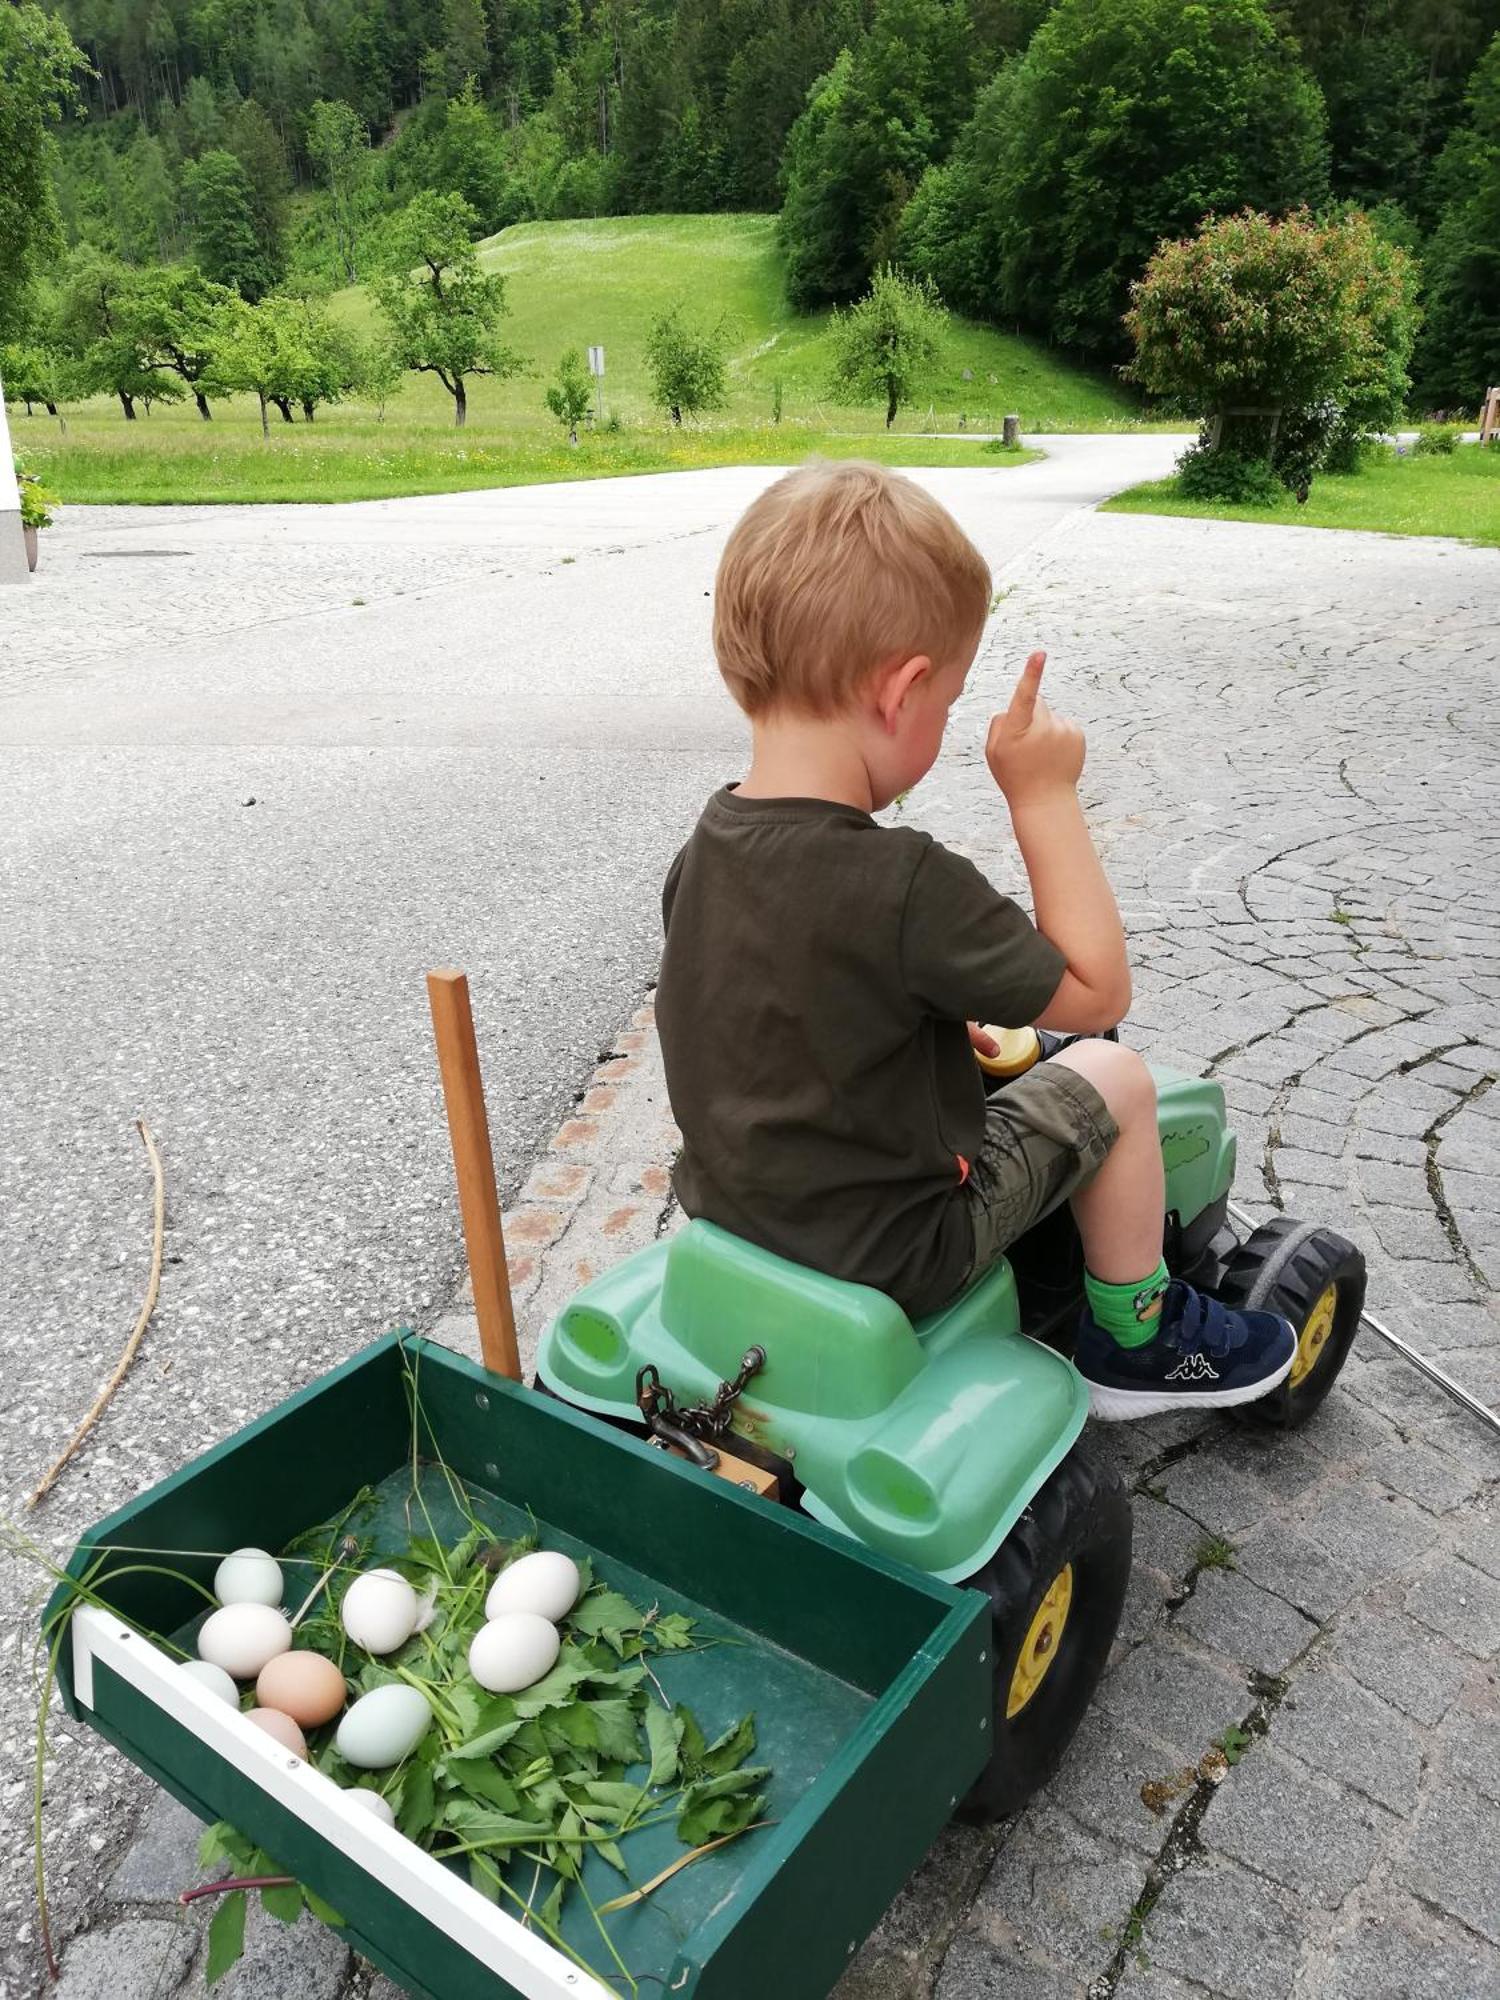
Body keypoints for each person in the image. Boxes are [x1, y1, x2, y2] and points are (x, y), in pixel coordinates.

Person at [654, 461, 1294, 1419]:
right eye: (949, 705)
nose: (947, 723)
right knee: (1117, 1077)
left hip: (736, 1216)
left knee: (1024, 1058)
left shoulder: (702, 851)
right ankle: (1139, 1340)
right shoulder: (904, 880)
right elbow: (1095, 990)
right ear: (902, 691)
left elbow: (790, 1013)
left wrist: (939, 1028)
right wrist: (1043, 793)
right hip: (898, 1250)